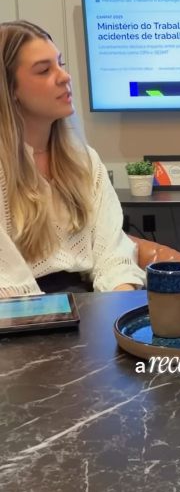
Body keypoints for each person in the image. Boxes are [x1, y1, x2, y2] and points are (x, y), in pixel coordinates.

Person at [0, 20, 146, 296]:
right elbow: (7, 284)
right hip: (21, 311)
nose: (64, 77)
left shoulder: (85, 161)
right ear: (10, 90)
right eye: (44, 70)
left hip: (88, 304)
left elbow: (113, 256)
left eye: (60, 64)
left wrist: (121, 306)